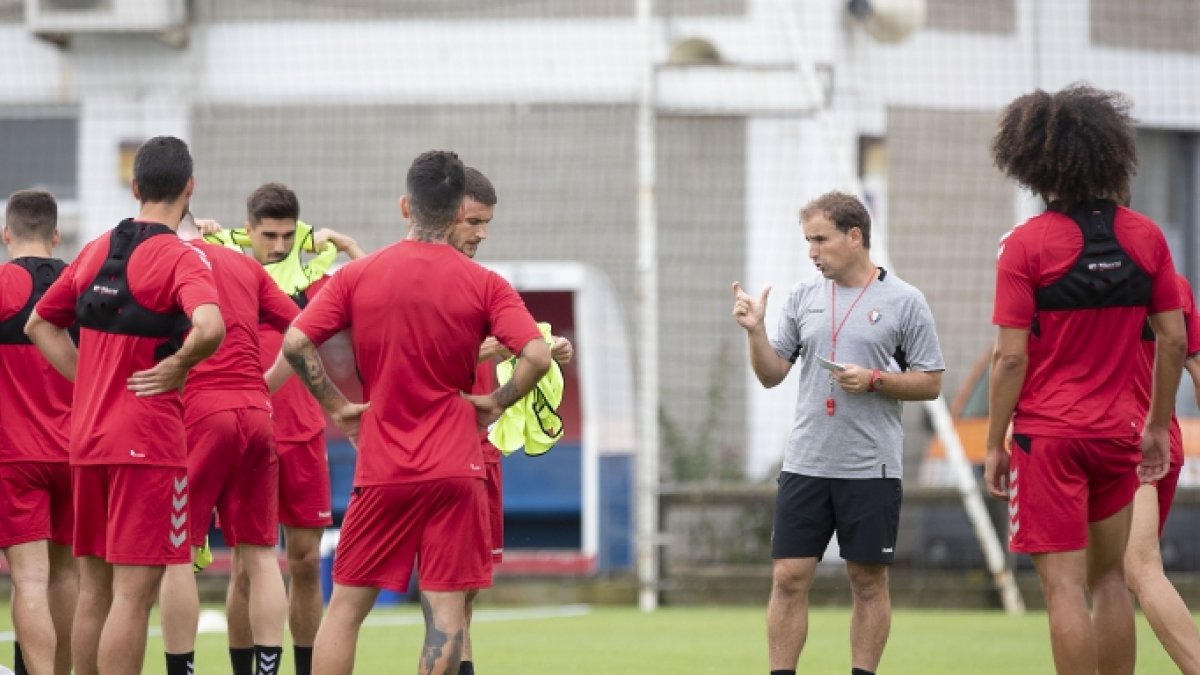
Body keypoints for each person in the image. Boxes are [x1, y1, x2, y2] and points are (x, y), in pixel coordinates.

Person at [284, 150, 550, 675]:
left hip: (383, 465)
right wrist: (493, 403)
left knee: (345, 609)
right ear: (456, 212)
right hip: (456, 466)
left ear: (406, 206)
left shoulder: (357, 276)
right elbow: (537, 355)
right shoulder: (486, 284)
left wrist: (339, 409)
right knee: (446, 614)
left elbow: (296, 342)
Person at [985, 84, 1186, 675]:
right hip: (1119, 434)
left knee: (1064, 589)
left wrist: (998, 440)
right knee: (1111, 581)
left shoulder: (1024, 246)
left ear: (1032, 163)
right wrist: (1154, 426)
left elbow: (1009, 359)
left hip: (1048, 439)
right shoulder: (1146, 237)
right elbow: (1173, 339)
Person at [25, 136, 226, 675]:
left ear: (135, 187)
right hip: (150, 445)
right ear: (190, 188)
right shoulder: (180, 258)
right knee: (134, 598)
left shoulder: (92, 249)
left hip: (87, 442)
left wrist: (87, 379)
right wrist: (179, 366)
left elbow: (39, 323)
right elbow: (211, 326)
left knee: (94, 592)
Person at [731, 190, 944, 675]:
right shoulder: (804, 296)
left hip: (871, 466)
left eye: (820, 240)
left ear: (855, 236)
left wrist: (876, 380)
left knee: (867, 581)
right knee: (788, 577)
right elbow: (771, 375)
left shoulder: (905, 301)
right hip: (806, 462)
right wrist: (755, 332)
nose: (812, 252)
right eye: (808, 241)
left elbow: (931, 383)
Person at [203, 183, 365, 675]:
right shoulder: (220, 266)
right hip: (246, 430)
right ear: (248, 229)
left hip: (302, 432)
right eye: (268, 234)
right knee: (247, 567)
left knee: (304, 561)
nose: (277, 245)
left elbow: (372, 286)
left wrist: (350, 247)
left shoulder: (314, 274)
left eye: (287, 235)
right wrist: (199, 233)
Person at [156, 217, 300, 675]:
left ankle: (182, 669)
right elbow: (303, 325)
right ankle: (268, 670)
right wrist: (268, 382)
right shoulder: (242, 264)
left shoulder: (162, 261)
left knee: (177, 552)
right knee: (260, 554)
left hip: (201, 415)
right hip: (257, 415)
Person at [448, 166, 574, 675]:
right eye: (475, 221)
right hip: (432, 447)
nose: (482, 234)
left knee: (467, 589)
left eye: (487, 223)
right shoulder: (414, 281)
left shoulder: (488, 286)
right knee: (440, 590)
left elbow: (531, 350)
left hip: (481, 449)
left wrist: (551, 348)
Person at [0, 189, 78, 675]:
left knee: (29, 578)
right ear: (55, 235)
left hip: (14, 452)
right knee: (67, 576)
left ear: (7, 234)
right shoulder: (81, 282)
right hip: (76, 452)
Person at [1125, 273, 1200, 674]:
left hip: (1124, 442)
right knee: (1116, 579)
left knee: (1139, 567)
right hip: (1164, 441)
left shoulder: (1087, 276)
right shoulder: (1175, 283)